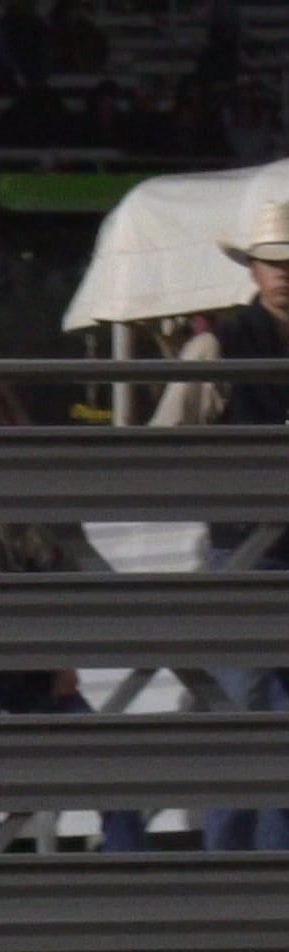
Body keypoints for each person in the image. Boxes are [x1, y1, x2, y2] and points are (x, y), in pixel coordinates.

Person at [150, 200, 289, 851]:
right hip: (245, 558)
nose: (282, 274)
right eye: (273, 263)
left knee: (254, 721)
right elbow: (163, 445)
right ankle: (238, 869)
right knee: (248, 720)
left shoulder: (219, 343)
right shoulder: (217, 346)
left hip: (250, 553)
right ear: (255, 270)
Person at [0, 384, 145, 853]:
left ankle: (132, 870)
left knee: (102, 772)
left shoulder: (23, 494)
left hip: (15, 656)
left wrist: (62, 658)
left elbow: (63, 574)